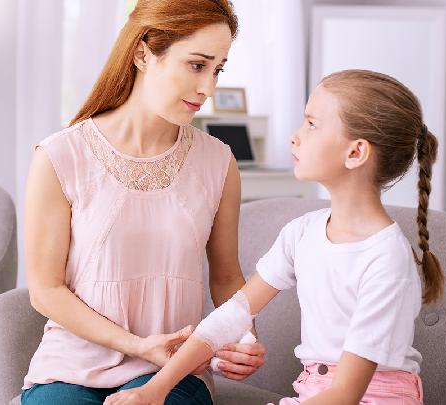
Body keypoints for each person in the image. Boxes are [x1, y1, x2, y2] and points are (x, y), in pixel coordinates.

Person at [104, 69, 445, 405]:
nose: (295, 136)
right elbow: (231, 316)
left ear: (355, 153)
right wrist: (155, 389)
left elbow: (346, 394)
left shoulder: (386, 260)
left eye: (312, 124)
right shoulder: (302, 233)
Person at [21, 1, 267, 404]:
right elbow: (45, 291)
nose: (209, 88)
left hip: (172, 370)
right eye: (197, 65)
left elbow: (226, 278)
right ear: (142, 53)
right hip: (68, 367)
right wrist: (137, 344)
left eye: (217, 69)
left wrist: (244, 336)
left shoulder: (218, 162)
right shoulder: (60, 156)